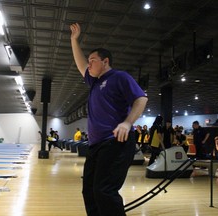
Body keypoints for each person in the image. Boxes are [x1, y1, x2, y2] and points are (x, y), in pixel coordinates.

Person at [70, 23, 148, 216]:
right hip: (96, 145)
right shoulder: (94, 82)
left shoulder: (119, 77)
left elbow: (141, 98)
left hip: (116, 142)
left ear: (105, 61)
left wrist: (127, 122)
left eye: (93, 60)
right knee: (89, 191)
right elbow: (81, 65)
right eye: (89, 61)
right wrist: (74, 40)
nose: (89, 64)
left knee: (104, 190)